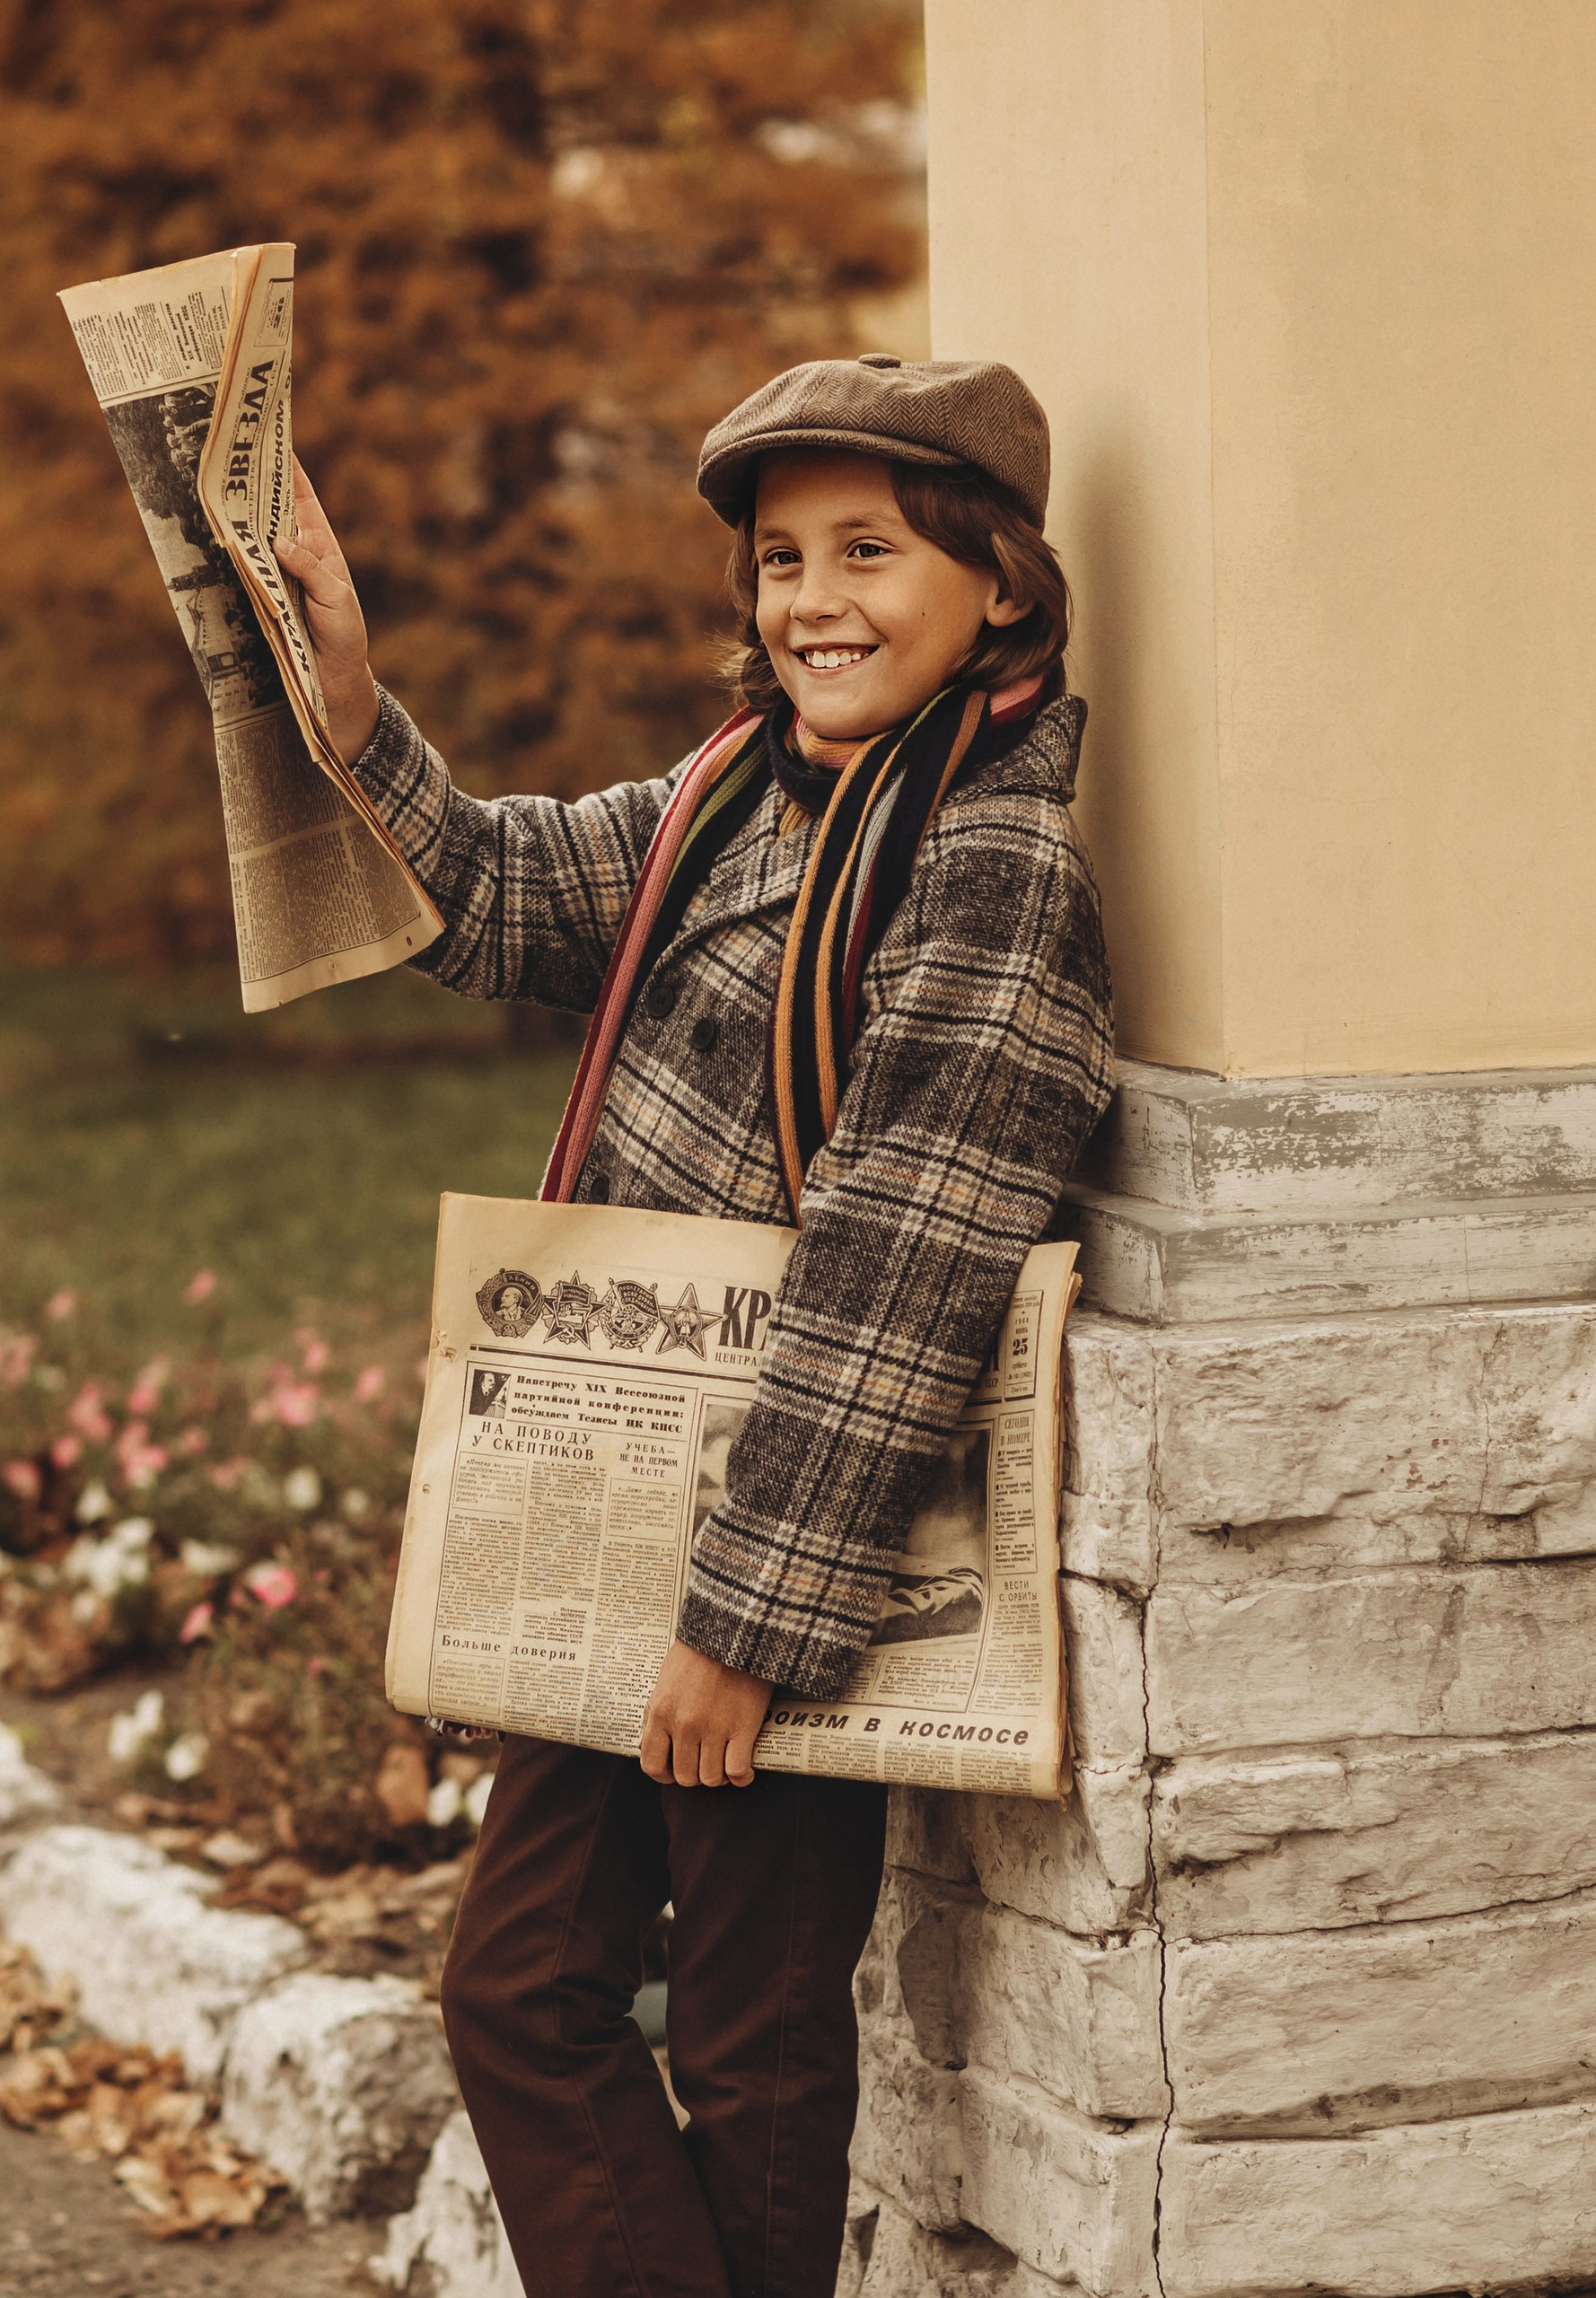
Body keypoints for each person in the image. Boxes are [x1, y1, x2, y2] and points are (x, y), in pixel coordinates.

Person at [276, 354, 1114, 2298]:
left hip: (784, 1555)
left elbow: (900, 1274)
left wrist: (740, 1632)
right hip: (623, 1523)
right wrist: (343, 697)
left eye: (869, 552)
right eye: (778, 558)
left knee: (748, 2044)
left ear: (996, 582)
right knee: (516, 1988)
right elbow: (489, 894)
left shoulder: (991, 865)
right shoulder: (728, 802)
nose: (811, 597)